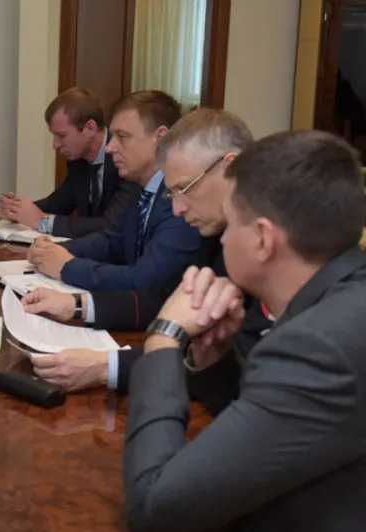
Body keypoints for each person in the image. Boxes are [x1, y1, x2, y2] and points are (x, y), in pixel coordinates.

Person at [125, 130, 366, 532]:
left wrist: (163, 337)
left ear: (264, 240)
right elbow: (284, 428)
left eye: (231, 223)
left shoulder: (325, 344)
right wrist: (216, 363)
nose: (222, 240)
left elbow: (153, 508)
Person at [21, 109, 271, 409]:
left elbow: (251, 368)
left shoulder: (265, 247)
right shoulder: (213, 226)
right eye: (172, 194)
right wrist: (76, 305)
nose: (177, 209)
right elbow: (166, 296)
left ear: (230, 167)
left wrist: (108, 366)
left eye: (184, 189)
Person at [26, 90, 201, 292]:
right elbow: (111, 240)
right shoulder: (138, 186)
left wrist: (68, 267)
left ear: (160, 138)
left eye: (122, 137)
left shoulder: (182, 199)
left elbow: (144, 280)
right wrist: (51, 250)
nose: (109, 147)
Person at [0, 87, 133, 238]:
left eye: (61, 136)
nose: (55, 145)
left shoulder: (125, 160)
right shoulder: (78, 160)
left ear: (90, 128)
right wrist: (16, 209)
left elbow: (111, 225)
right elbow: (60, 202)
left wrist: (42, 221)